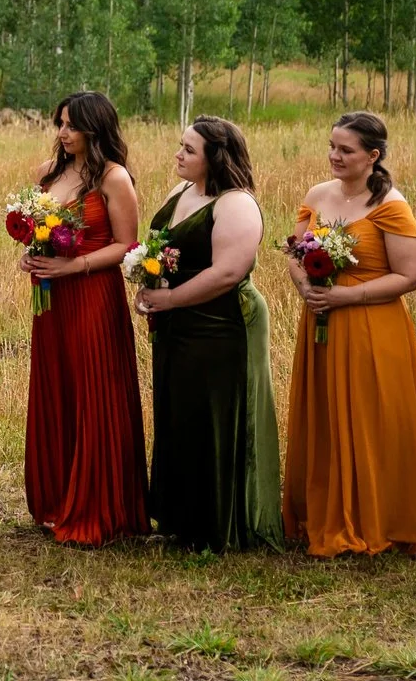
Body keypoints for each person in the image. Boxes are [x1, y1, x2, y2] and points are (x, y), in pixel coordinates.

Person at [281, 110, 416, 557]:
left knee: (369, 419)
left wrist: (346, 296)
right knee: (325, 415)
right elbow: (294, 251)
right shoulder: (317, 195)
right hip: (320, 321)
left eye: (346, 150)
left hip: (370, 326)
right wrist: (307, 288)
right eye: (332, 146)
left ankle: (371, 518)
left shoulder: (390, 205)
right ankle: (322, 511)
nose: (335, 156)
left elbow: (410, 275)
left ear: (373, 156)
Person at [140, 115, 280, 552]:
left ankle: (218, 523)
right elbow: (160, 252)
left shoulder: (235, 204)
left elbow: (227, 273)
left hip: (222, 324)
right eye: (180, 145)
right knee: (180, 412)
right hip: (177, 324)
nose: (178, 154)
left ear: (215, 157)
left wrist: (169, 299)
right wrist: (149, 288)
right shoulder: (181, 191)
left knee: (215, 417)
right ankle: (181, 518)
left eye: (189, 149)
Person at [21, 90, 146, 545]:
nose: (63, 132)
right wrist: (31, 255)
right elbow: (38, 232)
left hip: (93, 294)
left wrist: (73, 266)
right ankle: (56, 498)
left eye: (72, 125)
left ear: (96, 128)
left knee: (94, 388)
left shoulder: (113, 177)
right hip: (50, 299)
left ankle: (97, 505)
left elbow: (127, 246)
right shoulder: (48, 174)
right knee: (58, 385)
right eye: (60, 123)